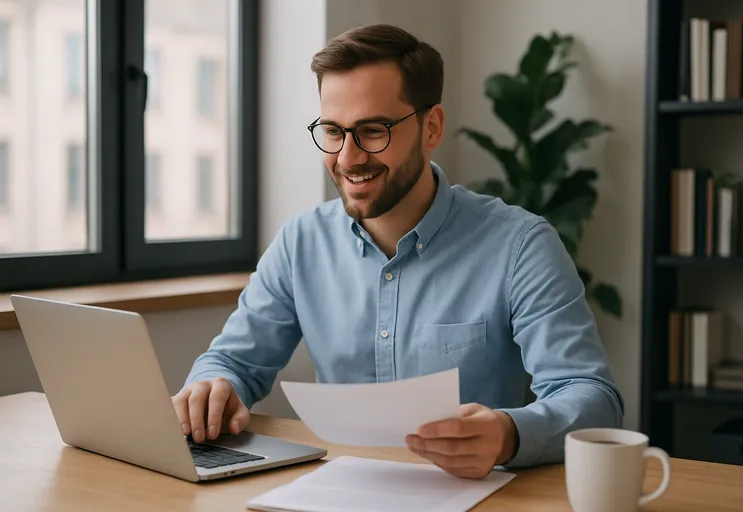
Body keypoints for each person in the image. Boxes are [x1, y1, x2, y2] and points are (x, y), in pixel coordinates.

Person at [172, 23, 624, 480]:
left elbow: (592, 397)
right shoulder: (300, 243)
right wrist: (213, 388)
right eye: (333, 131)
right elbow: (233, 362)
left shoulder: (520, 245)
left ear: (432, 127)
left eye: (373, 130)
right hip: (337, 494)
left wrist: (509, 434)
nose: (347, 158)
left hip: (474, 496)